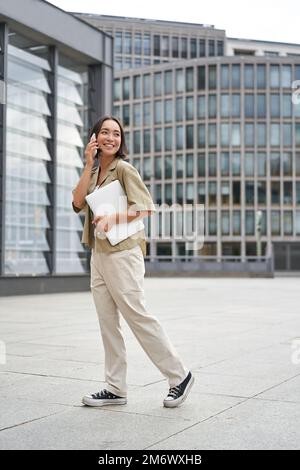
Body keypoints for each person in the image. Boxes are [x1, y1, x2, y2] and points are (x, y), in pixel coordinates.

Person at [72, 115, 194, 408]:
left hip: (124, 252)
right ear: (94, 138)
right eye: (104, 132)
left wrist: (113, 217)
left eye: (116, 133)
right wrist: (88, 163)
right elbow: (77, 203)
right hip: (99, 255)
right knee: (107, 323)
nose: (110, 137)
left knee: (137, 316)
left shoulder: (124, 169)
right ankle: (115, 388)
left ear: (121, 141)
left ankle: (180, 376)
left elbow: (146, 208)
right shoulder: (94, 171)